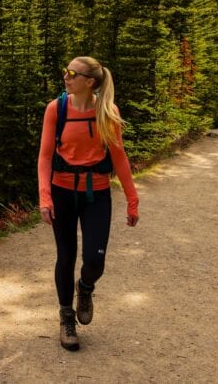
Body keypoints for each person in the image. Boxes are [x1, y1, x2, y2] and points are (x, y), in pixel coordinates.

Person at [37, 56, 139, 352]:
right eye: (65, 71)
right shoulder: (57, 109)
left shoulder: (107, 111)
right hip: (62, 192)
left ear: (90, 82)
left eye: (72, 73)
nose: (65, 77)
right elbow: (45, 157)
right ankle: (66, 317)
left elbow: (118, 156)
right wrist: (45, 197)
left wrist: (132, 200)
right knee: (65, 256)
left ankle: (85, 288)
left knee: (95, 260)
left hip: (97, 193)